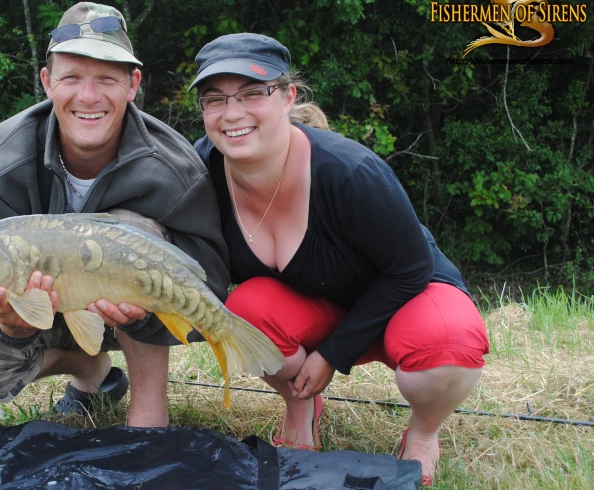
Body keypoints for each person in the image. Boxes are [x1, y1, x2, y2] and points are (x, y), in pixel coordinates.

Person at [190, 33, 489, 485]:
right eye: (215, 100)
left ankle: (425, 433)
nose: (232, 113)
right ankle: (301, 402)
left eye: (252, 93)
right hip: (316, 306)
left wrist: (332, 354)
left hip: (407, 296)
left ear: (287, 96)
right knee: (243, 313)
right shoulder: (201, 168)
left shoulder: (350, 172)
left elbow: (409, 269)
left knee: (448, 343)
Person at [0, 2, 230, 428]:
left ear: (132, 85)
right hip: (46, 309)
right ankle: (91, 373)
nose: (89, 97)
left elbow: (210, 282)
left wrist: (147, 313)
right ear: (47, 82)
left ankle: (149, 410)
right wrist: (11, 325)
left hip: (134, 307)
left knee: (132, 232)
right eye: (72, 78)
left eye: (106, 80)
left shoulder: (174, 170)